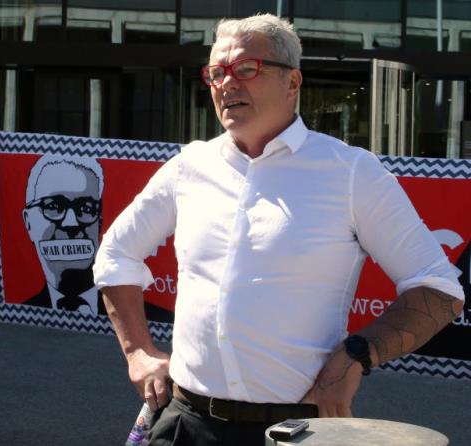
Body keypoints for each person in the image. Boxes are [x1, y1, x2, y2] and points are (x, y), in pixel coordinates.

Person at [92, 13, 465, 446]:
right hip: (185, 422)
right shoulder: (188, 167)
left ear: (293, 83)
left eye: (246, 69)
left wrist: (356, 356)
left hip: (295, 431)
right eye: (216, 73)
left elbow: (440, 289)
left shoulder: (350, 173)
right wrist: (139, 352)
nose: (226, 84)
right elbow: (116, 253)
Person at [22, 156, 106, 315]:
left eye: (86, 209)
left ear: (99, 222)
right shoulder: (19, 313)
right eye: (53, 206)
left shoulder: (143, 318)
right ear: (29, 222)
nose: (71, 223)